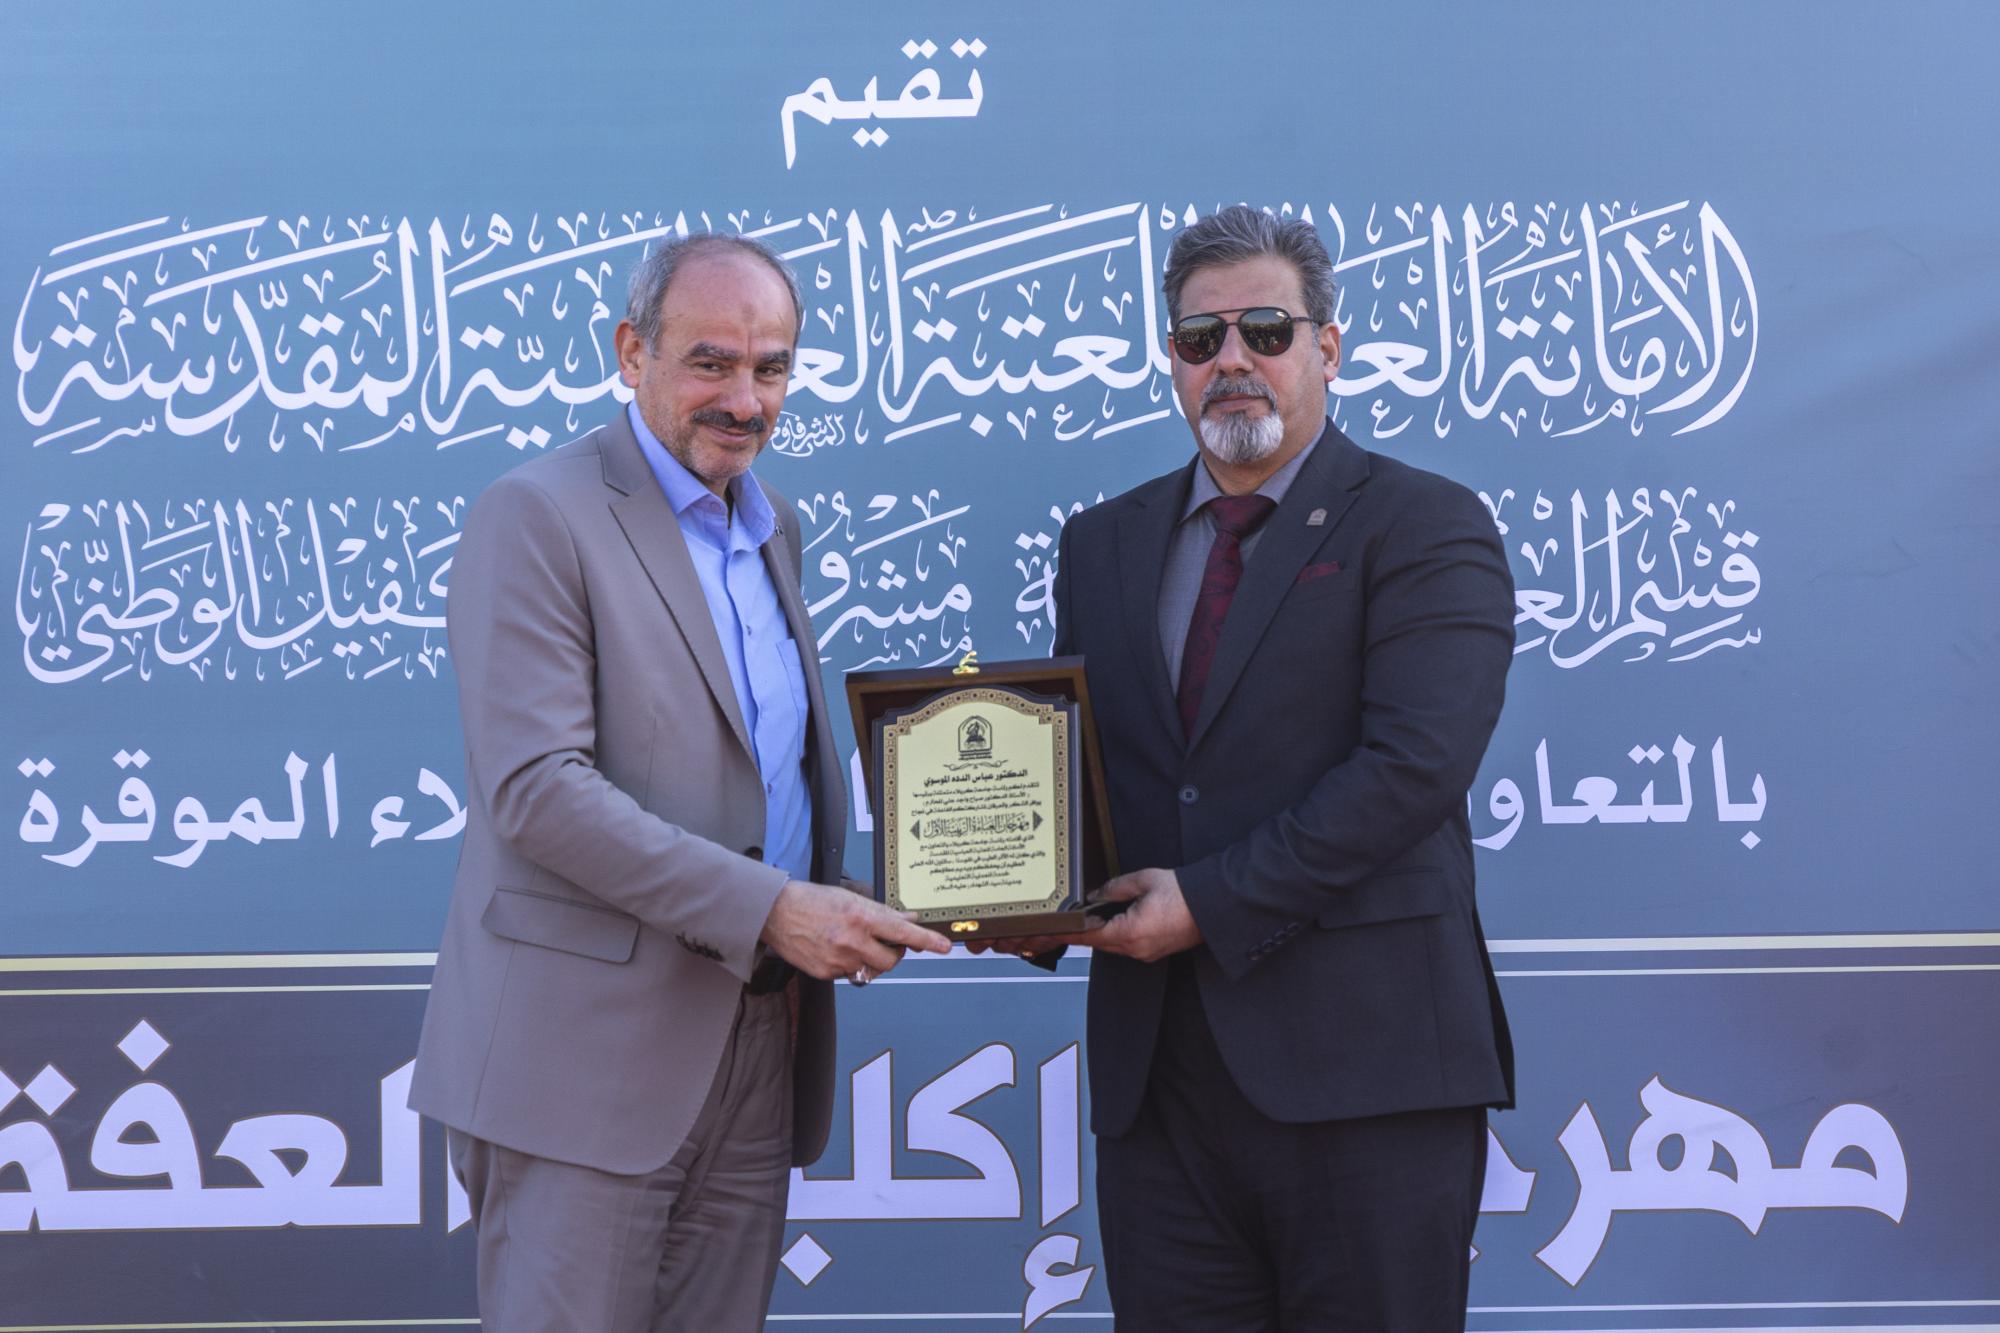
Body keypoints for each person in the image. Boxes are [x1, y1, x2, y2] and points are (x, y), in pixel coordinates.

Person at [409, 234, 950, 1332]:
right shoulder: (538, 514)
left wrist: (926, 893)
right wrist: (775, 909)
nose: (745, 400)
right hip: (584, 1065)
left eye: (771, 368)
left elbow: (760, 789)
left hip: (757, 1041)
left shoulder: (773, 525)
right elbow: (537, 789)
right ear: (631, 351)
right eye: (712, 362)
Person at [1028, 206, 1517, 1330]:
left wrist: (1205, 902)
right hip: (1161, 1092)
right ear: (1172, 360)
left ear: (1327, 348)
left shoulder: (1424, 523)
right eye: (1201, 339)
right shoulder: (1102, 543)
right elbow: (1083, 772)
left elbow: (1412, 769)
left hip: (1369, 1078)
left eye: (1265, 330)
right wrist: (1006, 894)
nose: (1232, 361)